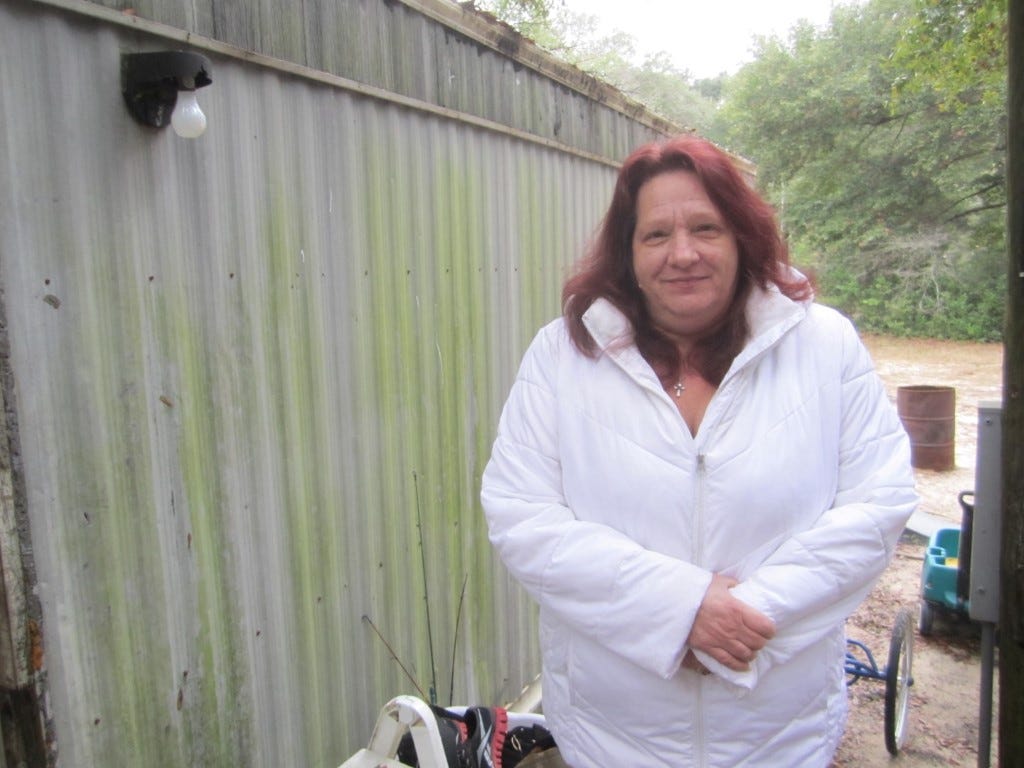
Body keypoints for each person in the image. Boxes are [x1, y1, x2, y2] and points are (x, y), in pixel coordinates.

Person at [480, 135, 918, 767]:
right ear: (627, 254)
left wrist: (742, 619)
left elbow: (879, 504)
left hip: (780, 734)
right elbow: (521, 513)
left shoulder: (825, 346)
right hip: (611, 735)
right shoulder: (561, 356)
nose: (682, 254)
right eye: (656, 235)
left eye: (706, 228)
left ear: (742, 236)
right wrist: (679, 608)